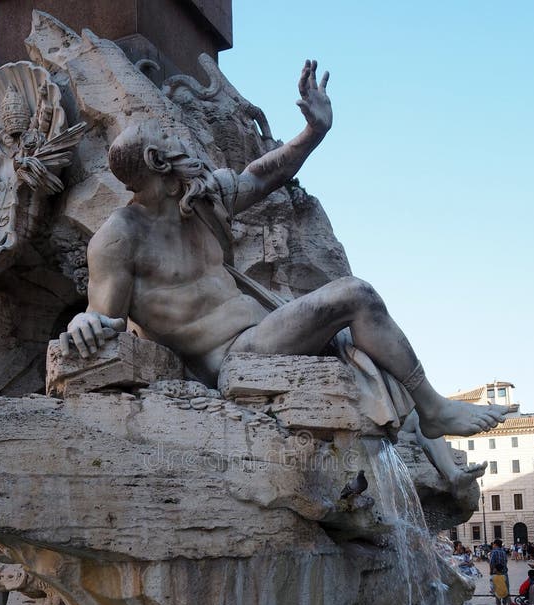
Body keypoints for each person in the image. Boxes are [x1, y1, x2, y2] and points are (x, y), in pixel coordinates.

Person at [62, 60, 509, 442]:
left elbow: (262, 176)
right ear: (159, 162)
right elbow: (106, 320)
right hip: (233, 359)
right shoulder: (120, 238)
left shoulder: (196, 202)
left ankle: (428, 427)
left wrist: (314, 132)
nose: (184, 144)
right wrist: (83, 320)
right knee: (356, 294)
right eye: (171, 141)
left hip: (266, 330)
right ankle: (434, 410)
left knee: (363, 336)